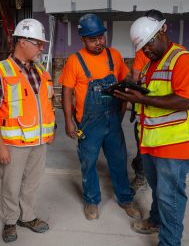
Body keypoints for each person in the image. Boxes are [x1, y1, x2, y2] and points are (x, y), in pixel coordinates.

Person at [114, 13, 189, 246]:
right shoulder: (152, 64)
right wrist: (132, 94)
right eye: (143, 49)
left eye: (150, 44)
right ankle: (156, 221)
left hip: (176, 143)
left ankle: (170, 241)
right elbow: (152, 95)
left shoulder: (183, 60)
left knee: (170, 196)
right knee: (159, 191)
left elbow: (186, 101)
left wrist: (142, 100)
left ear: (162, 32)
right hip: (153, 141)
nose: (147, 51)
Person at [59, 13, 142, 221]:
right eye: (92, 39)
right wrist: (69, 120)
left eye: (101, 37)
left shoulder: (114, 55)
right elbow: (66, 92)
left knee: (118, 160)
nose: (98, 42)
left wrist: (122, 110)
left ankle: (124, 198)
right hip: (88, 123)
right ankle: (91, 200)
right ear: (83, 40)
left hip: (112, 119)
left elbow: (123, 84)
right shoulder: (75, 61)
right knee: (88, 162)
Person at [0, 19, 56, 243]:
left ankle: (28, 216)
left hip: (38, 141)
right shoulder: (1, 70)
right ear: (23, 42)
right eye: (38, 43)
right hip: (13, 144)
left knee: (32, 182)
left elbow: (46, 102)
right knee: (11, 185)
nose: (42, 48)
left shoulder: (40, 70)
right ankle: (10, 221)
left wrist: (50, 129)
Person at [129, 9, 165, 191]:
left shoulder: (146, 50)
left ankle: (142, 175)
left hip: (158, 111)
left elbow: (135, 77)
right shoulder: (150, 49)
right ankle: (142, 175)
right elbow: (136, 76)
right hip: (145, 109)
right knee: (143, 145)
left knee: (145, 146)